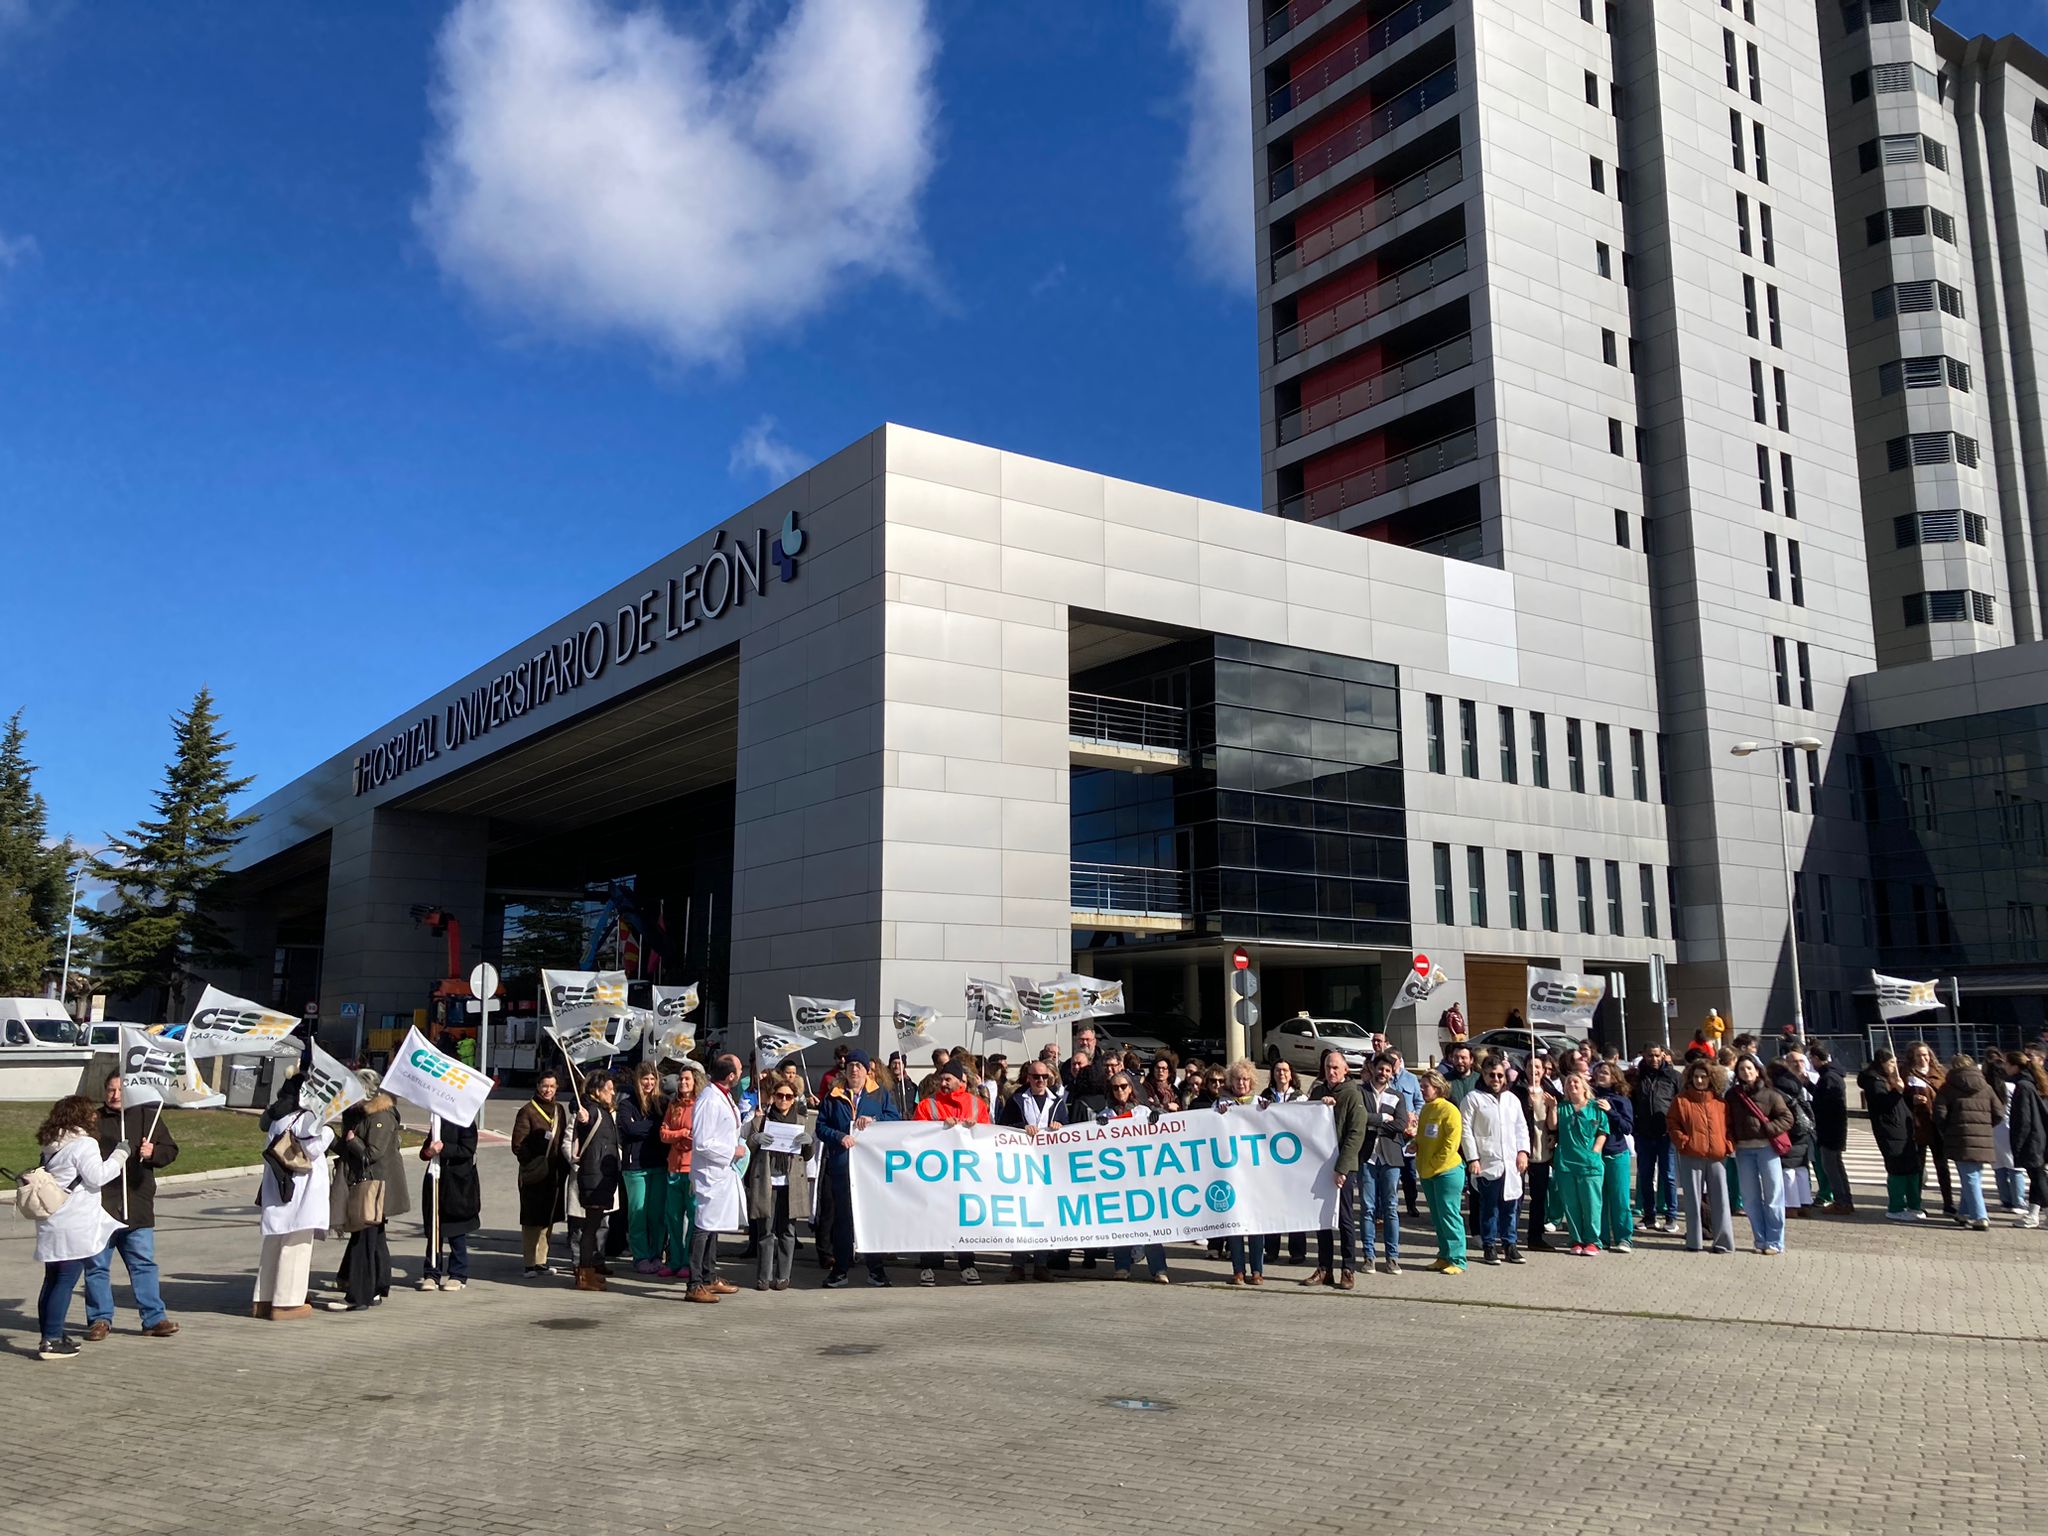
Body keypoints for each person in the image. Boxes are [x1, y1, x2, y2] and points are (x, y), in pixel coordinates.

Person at [31, 1094, 129, 1360]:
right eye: (90, 1112)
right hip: (73, 1222)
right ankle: (51, 1340)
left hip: (53, 1220)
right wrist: (120, 1155)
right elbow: (97, 1176)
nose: (95, 1115)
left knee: (52, 1280)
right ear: (81, 1116)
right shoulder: (84, 1143)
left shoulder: (52, 1142)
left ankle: (51, 1333)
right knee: (64, 1281)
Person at [83, 1071, 178, 1341]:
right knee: (97, 1266)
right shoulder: (93, 1120)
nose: (115, 1095)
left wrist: (153, 1153)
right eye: (110, 1090)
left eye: (120, 1090)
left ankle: (154, 1318)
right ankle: (100, 1319)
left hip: (137, 1204)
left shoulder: (148, 1116)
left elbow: (170, 1150)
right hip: (101, 1206)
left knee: (143, 1264)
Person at [816, 1051, 900, 1288]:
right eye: (851, 1065)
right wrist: (839, 1136)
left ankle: (876, 1269)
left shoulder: (880, 1094)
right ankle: (840, 1270)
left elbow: (894, 1120)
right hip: (842, 1166)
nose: (854, 1070)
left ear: (867, 1070)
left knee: (871, 1218)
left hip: (870, 1169)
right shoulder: (834, 1095)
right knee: (843, 1220)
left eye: (859, 1066)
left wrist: (874, 1122)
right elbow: (821, 1126)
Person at [254, 1073, 334, 1321]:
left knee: (273, 1245)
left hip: (278, 1189)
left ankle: (263, 1300)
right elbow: (312, 1149)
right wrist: (329, 1131)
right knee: (296, 1246)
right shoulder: (305, 1118)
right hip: (301, 1191)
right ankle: (287, 1303)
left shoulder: (278, 1117)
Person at [330, 1070, 408, 1312]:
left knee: (364, 1240)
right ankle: (376, 1287)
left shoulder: (380, 1115)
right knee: (374, 1240)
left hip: (374, 1187)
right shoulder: (362, 1114)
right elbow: (351, 1149)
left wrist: (351, 1140)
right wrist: (332, 1139)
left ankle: (359, 1295)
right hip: (370, 1186)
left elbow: (373, 1153)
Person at [912, 1059, 991, 1286]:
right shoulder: (927, 1105)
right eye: (942, 1079)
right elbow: (915, 1134)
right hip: (935, 1174)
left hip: (965, 1174)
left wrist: (974, 1129)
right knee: (933, 1218)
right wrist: (939, 1127)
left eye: (948, 1079)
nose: (944, 1083)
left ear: (960, 1081)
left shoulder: (976, 1105)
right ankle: (928, 1265)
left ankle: (967, 1265)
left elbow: (988, 1135)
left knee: (964, 1220)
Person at [999, 1058, 1068, 1281]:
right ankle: (1017, 1265)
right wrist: (1022, 1127)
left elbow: (1069, 1131)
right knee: (1021, 1215)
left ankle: (1041, 1264)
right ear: (1028, 1078)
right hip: (1022, 1165)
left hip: (1047, 1166)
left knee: (1044, 1215)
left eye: (1044, 1076)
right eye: (1036, 1076)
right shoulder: (1017, 1100)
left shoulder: (1057, 1102)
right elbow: (1002, 1126)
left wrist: (1060, 1126)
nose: (1040, 1080)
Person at [1303, 1047, 1366, 1289]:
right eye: (1328, 1067)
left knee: (1345, 1219)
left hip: (1343, 1168)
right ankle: (1324, 1268)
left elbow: (1355, 1134)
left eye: (1336, 1068)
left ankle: (1348, 1268)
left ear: (1345, 1069)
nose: (1331, 1071)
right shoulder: (1318, 1092)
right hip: (1319, 1166)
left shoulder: (1353, 1095)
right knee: (1322, 1220)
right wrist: (1320, 1106)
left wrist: (1342, 1168)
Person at [687, 1053, 747, 1303]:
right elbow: (702, 1142)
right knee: (703, 1226)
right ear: (731, 1076)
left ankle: (709, 1276)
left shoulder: (725, 1096)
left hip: (721, 1173)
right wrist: (732, 1151)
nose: (742, 1073)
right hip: (709, 1173)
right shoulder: (709, 1099)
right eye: (740, 1069)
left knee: (713, 1226)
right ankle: (694, 1284)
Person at [1461, 1053, 1531, 1265]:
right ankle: (1489, 1245)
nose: (1496, 1079)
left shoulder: (1512, 1099)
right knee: (1489, 1207)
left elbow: (1521, 1128)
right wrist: (1472, 1158)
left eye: (1500, 1075)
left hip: (1511, 1162)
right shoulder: (1473, 1099)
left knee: (1511, 1206)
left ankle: (1510, 1244)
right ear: (1483, 1075)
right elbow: (1466, 1131)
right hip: (1487, 1162)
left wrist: (1523, 1152)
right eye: (1491, 1075)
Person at [1100, 1072, 1169, 1282]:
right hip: (1118, 1177)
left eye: (1123, 1086)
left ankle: (1159, 1269)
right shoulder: (1105, 1114)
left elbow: (1163, 1132)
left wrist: (1157, 1117)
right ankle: (1122, 1267)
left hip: (1143, 1176)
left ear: (1131, 1088)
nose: (1119, 1091)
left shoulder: (1142, 1112)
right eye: (1115, 1087)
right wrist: (1097, 1128)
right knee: (1122, 1224)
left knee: (1151, 1224)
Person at [744, 1077, 812, 1291]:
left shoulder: (801, 1121)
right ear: (773, 1097)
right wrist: (755, 1139)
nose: (784, 1100)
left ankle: (783, 1277)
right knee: (765, 1231)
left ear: (794, 1100)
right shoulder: (760, 1121)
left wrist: (808, 1143)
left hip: (791, 1183)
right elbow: (748, 1148)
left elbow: (807, 1155)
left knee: (787, 1231)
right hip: (767, 1181)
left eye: (788, 1096)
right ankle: (763, 1277)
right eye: (780, 1095)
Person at [1725, 1054, 1793, 1255]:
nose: (1746, 1072)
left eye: (1749, 1068)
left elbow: (1787, 1118)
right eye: (1742, 1069)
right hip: (1743, 1150)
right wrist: (1732, 1138)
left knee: (1773, 1196)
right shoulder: (1732, 1096)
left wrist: (1769, 1129)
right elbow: (1727, 1120)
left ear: (1757, 1070)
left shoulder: (1771, 1095)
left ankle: (1775, 1241)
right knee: (1750, 1198)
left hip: (1767, 1149)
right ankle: (1760, 1239)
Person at [1667, 1059, 1734, 1254]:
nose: (1699, 1080)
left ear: (1711, 1078)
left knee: (1721, 1201)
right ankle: (1694, 1241)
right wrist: (1683, 1141)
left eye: (1703, 1077)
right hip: (1691, 1155)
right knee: (1692, 1200)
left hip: (1717, 1156)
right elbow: (1672, 1123)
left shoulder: (1721, 1103)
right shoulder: (1681, 1101)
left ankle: (1723, 1242)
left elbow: (1730, 1126)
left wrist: (1728, 1144)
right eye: (1696, 1076)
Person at [512, 1070, 572, 1276]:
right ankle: (529, 1263)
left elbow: (563, 1138)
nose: (548, 1090)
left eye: (552, 1086)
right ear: (538, 1086)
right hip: (534, 1174)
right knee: (532, 1219)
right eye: (545, 1086)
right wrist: (534, 1161)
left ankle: (541, 1261)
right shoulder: (527, 1111)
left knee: (548, 1218)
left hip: (554, 1174)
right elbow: (518, 1144)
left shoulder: (559, 1110)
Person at [1934, 1054, 2000, 1232]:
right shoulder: (1985, 1086)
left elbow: (1940, 1114)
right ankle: (1964, 1212)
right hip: (1982, 1137)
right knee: (1973, 1176)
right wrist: (1985, 1126)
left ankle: (1980, 1216)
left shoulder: (1948, 1088)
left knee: (1970, 1177)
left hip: (1959, 1137)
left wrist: (1948, 1130)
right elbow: (1999, 1113)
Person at [1357, 1053, 1410, 1276]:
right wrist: (1382, 1119)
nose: (1383, 1073)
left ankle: (1392, 1257)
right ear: (1373, 1068)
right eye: (1380, 1069)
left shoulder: (1397, 1096)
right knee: (1367, 1208)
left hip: (1390, 1157)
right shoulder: (1360, 1092)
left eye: (1388, 1070)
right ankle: (1369, 1256)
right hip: (1367, 1156)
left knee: (1390, 1208)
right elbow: (1359, 1117)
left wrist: (1375, 1124)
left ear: (1392, 1073)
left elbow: (1401, 1124)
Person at [615, 1061, 668, 1274]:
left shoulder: (663, 1103)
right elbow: (629, 1130)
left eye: (652, 1078)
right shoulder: (627, 1104)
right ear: (638, 1080)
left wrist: (644, 1127)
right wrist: (654, 1126)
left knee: (657, 1215)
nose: (649, 1082)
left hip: (659, 1164)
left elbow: (663, 1128)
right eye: (645, 1078)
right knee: (637, 1213)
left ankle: (656, 1254)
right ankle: (641, 1256)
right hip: (635, 1167)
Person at [570, 1071, 622, 1292]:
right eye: (608, 1089)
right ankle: (584, 1273)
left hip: (603, 1176)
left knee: (594, 1224)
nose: (613, 1093)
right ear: (597, 1091)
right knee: (590, 1227)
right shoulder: (592, 1111)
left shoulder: (603, 1110)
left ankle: (588, 1270)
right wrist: (580, 1111)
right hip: (594, 1176)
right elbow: (583, 1117)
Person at [417, 1110, 480, 1292]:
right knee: (434, 1229)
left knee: (456, 1230)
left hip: (457, 1182)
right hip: (435, 1180)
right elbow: (425, 1152)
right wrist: (429, 1151)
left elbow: (468, 1149)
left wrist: (443, 1149)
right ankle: (431, 1274)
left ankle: (458, 1274)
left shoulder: (465, 1121)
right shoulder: (437, 1121)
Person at [1860, 1051, 1925, 1221]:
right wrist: (1897, 1091)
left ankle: (1914, 1204)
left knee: (1912, 1167)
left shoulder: (1889, 1079)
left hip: (1904, 1127)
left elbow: (1899, 1103)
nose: (1894, 1066)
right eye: (1891, 1063)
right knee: (1898, 1167)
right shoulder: (1874, 1081)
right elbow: (1883, 1104)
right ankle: (1896, 1207)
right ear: (1881, 1063)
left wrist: (1909, 1098)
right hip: (1890, 1130)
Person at [1414, 1071, 1466, 1273]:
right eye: (1421, 1085)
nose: (1422, 1089)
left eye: (1425, 1086)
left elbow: (1450, 1145)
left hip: (1447, 1172)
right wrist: (1415, 1143)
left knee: (1449, 1216)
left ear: (1437, 1088)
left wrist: (1434, 1163)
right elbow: (1423, 1136)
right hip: (1428, 1172)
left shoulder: (1450, 1110)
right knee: (1437, 1218)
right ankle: (1444, 1256)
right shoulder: (1426, 1109)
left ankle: (1458, 1259)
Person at [1552, 1072, 1608, 1255]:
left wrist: (1595, 1151)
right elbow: (1552, 1126)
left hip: (1590, 1164)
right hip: (1566, 1163)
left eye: (1576, 1082)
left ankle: (1593, 1241)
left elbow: (1603, 1131)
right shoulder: (1562, 1107)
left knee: (1591, 1204)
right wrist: (1552, 1107)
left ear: (1584, 1086)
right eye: (1568, 1083)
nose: (1572, 1085)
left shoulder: (1596, 1107)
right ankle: (1576, 1240)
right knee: (1571, 1204)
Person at [1260, 1059, 1308, 1267]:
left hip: (1294, 1159)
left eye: (1285, 1070)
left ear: (1291, 1074)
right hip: (1271, 1158)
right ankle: (1271, 1250)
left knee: (1295, 1205)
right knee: (1273, 1205)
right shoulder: (1264, 1096)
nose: (1282, 1074)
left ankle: (1297, 1251)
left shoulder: (1301, 1098)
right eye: (1278, 1070)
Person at [657, 1063, 702, 1281]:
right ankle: (674, 1260)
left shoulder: (700, 1105)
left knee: (692, 1218)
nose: (683, 1082)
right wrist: (681, 1133)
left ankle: (687, 1261)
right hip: (673, 1167)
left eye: (687, 1079)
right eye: (681, 1079)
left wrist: (679, 1135)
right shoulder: (673, 1104)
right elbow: (663, 1134)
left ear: (695, 1082)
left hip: (692, 1169)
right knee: (673, 1217)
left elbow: (698, 1137)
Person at [1630, 1046, 1680, 1233]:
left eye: (1657, 1055)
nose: (1654, 1059)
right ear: (1644, 1056)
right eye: (1650, 1055)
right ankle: (1649, 1216)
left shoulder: (1673, 1076)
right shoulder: (1637, 1077)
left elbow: (1680, 1102)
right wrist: (1636, 1128)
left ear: (1663, 1055)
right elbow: (1632, 1102)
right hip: (1644, 1135)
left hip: (1666, 1135)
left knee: (1668, 1176)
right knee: (1645, 1176)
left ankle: (1671, 1216)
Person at [1903, 1039, 1955, 1217]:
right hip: (1918, 1125)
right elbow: (1900, 1097)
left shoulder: (1940, 1073)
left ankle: (1948, 1203)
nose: (1922, 1058)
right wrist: (1911, 1099)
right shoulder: (1906, 1073)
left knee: (1942, 1166)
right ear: (1912, 1057)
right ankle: (1915, 1202)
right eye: (1918, 1055)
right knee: (1918, 1166)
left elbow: (1949, 1095)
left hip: (1937, 1125)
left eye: (1925, 1055)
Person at [1589, 1059, 1635, 1254]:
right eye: (1599, 1072)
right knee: (1598, 1200)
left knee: (1620, 1200)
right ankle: (1601, 1237)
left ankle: (1624, 1238)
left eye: (1606, 1073)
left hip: (1616, 1155)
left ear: (1615, 1077)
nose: (1601, 1075)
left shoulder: (1621, 1100)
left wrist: (1610, 1111)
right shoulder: (1590, 1097)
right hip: (1595, 1155)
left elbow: (1627, 1127)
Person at [1767, 1050, 1817, 1219]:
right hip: (1802, 1131)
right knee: (1802, 1169)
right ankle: (1805, 1203)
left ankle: (1791, 1205)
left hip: (1787, 1132)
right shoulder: (1796, 1084)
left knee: (1787, 1170)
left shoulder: (1775, 1089)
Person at [1518, 1052, 1559, 1252]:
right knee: (1514, 1197)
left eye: (1537, 1067)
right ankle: (1508, 1237)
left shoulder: (1550, 1091)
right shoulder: (1516, 1090)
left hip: (1541, 1153)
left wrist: (1555, 1135)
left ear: (1544, 1070)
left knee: (1539, 1198)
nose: (1533, 1070)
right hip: (1520, 1151)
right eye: (1530, 1066)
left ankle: (1535, 1237)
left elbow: (1555, 1124)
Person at [1809, 1042, 1853, 1216]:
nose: (1811, 1063)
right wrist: (1808, 1085)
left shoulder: (1829, 1077)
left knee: (1832, 1167)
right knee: (1836, 1166)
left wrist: (1813, 1106)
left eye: (1811, 1059)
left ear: (1816, 1058)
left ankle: (1842, 1202)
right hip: (1834, 1128)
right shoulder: (1831, 1075)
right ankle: (1845, 1200)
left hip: (1830, 1129)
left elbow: (1827, 1104)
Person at [2006, 1051, 2048, 1228]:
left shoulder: (2023, 1086)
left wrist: (2017, 1143)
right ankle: (2033, 1214)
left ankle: (2037, 1214)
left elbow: (2023, 1118)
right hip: (2041, 1136)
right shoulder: (2036, 1081)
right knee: (2038, 1176)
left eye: (2007, 1064)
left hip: (2032, 1138)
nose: (2005, 1068)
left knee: (2038, 1177)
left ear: (2015, 1066)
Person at [1386, 1047, 1424, 1218]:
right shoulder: (1384, 1079)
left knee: (1409, 1172)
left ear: (1400, 1061)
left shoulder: (1411, 1079)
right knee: (1391, 1171)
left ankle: (1411, 1203)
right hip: (1391, 1131)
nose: (1390, 1064)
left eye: (1393, 1060)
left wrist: (1415, 1117)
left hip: (1408, 1134)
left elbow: (1419, 1101)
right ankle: (1390, 1205)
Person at [1441, 1044, 1478, 1109]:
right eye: (1456, 1057)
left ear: (1471, 1060)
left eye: (1463, 1058)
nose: (1459, 1061)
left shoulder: (1480, 1079)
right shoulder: (1444, 1080)